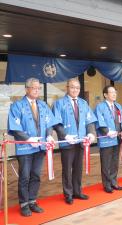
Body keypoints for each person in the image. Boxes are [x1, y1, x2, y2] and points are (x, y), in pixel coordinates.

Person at [8, 78, 58, 216]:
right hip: (25, 148)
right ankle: (24, 204)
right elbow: (15, 128)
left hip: (40, 147)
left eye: (38, 88)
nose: (36, 90)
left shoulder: (43, 105)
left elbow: (49, 124)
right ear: (26, 89)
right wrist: (28, 139)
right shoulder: (17, 106)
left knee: (36, 175)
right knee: (24, 176)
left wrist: (49, 135)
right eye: (34, 88)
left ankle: (32, 201)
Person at [52, 78, 97, 205]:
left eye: (77, 88)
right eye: (72, 87)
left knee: (78, 168)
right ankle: (68, 194)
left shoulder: (83, 103)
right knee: (67, 169)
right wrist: (65, 136)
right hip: (67, 143)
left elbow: (90, 121)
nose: (75, 90)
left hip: (81, 141)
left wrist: (91, 133)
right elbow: (56, 123)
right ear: (67, 87)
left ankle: (77, 191)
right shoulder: (59, 103)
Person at [94, 85, 122, 193]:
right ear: (105, 95)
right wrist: (107, 131)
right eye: (111, 92)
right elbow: (99, 121)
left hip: (117, 138)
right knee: (106, 162)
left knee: (115, 161)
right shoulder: (100, 107)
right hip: (107, 138)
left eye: (115, 92)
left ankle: (114, 182)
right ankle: (107, 185)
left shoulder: (118, 106)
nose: (114, 94)